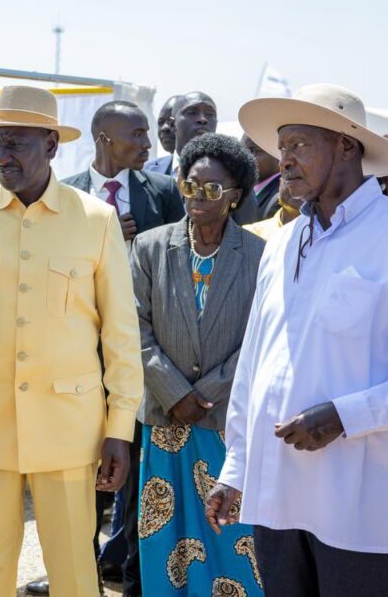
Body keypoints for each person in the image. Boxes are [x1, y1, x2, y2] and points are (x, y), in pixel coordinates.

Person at [206, 84, 388, 597]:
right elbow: (256, 363)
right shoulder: (282, 243)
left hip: (366, 508)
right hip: (278, 496)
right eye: (281, 147)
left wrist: (344, 416)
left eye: (299, 145)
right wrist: (236, 467)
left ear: (347, 146)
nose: (284, 159)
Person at [0, 86, 144, 596]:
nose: (1, 157)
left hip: (70, 427)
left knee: (74, 576)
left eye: (15, 144)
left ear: (51, 145)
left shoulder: (96, 219)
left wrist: (120, 428)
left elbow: (121, 333)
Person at [31, 100, 182, 597]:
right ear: (103, 138)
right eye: (136, 133)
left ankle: (135, 581)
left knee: (132, 474)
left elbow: (175, 264)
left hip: (138, 356)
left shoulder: (163, 192)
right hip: (74, 360)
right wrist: (100, 235)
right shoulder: (64, 193)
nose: (147, 143)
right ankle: (79, 576)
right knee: (78, 480)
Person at [132, 133, 265, 596]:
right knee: (166, 540)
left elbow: (260, 337)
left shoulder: (258, 255)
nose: (197, 197)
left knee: (229, 534)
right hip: (165, 420)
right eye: (190, 185)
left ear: (236, 196)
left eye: (212, 189)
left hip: (225, 420)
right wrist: (174, 391)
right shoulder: (150, 247)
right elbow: (134, 326)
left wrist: (207, 392)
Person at [243, 133, 281, 219]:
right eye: (242, 150)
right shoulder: (244, 190)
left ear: (278, 155)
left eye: (252, 150)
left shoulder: (281, 198)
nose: (244, 157)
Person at [145, 95, 180, 175]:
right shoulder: (148, 170)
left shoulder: (207, 169)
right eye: (161, 122)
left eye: (172, 122)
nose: (164, 128)